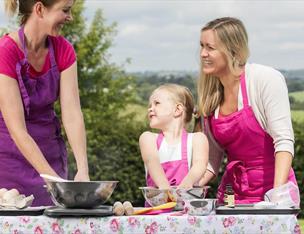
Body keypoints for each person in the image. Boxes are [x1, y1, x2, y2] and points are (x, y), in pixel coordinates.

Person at [195, 17, 299, 204]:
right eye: (201, 46)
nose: (203, 53)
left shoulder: (265, 79)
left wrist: (275, 199)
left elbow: (283, 141)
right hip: (232, 195)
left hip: (272, 190)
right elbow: (212, 159)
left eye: (210, 47)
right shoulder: (209, 97)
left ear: (232, 50)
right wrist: (189, 188)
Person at [0, 0, 89, 206]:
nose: (70, 17)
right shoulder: (6, 52)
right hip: (8, 164)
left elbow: (72, 113)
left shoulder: (63, 49)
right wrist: (55, 182)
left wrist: (83, 169)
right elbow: (18, 131)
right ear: (39, 9)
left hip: (50, 155)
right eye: (65, 10)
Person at [139, 83, 209, 189]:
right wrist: (165, 190)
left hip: (188, 205)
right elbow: (152, 162)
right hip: (158, 205)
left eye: (156, 103)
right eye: (150, 105)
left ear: (177, 110)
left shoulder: (198, 139)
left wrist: (187, 184)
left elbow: (200, 165)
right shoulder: (148, 138)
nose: (150, 108)